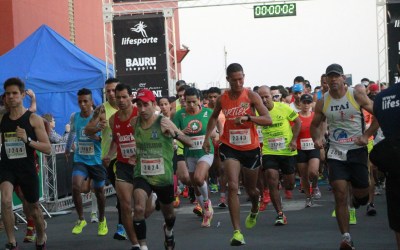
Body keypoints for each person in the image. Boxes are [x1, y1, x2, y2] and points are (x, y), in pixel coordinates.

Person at [202, 63, 272, 246]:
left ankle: (255, 206)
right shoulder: (222, 99)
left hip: (250, 148)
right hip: (229, 146)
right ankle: (237, 232)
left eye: (241, 78)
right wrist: (206, 138)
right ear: (228, 80)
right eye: (234, 80)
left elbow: (268, 119)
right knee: (233, 185)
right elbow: (213, 117)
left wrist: (249, 118)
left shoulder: (251, 95)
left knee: (252, 190)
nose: (239, 83)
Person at [310, 64, 377, 250]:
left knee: (362, 196)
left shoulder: (355, 94)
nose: (333, 80)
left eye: (336, 76)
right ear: (326, 80)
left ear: (343, 78)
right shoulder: (323, 101)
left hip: (357, 150)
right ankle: (346, 237)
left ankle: (358, 200)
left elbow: (378, 114)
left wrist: (366, 135)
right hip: (336, 151)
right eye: (329, 77)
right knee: (339, 193)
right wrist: (317, 139)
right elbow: (315, 124)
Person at [130, 88, 193, 250]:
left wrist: (174, 134)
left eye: (146, 105)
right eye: (139, 105)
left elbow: (189, 142)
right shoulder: (134, 122)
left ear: (153, 104)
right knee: (138, 208)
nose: (142, 109)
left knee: (170, 216)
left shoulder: (164, 121)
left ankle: (168, 230)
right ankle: (143, 246)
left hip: (163, 176)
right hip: (142, 174)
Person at [0, 78, 51, 250]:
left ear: (22, 95)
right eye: (8, 94)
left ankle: (41, 236)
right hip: (8, 167)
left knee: (33, 208)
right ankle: (12, 242)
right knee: (6, 201)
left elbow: (48, 148)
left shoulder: (34, 119)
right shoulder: (2, 118)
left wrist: (27, 140)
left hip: (27, 168)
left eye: (15, 93)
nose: (11, 97)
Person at [84, 77, 128, 240]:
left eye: (113, 90)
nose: (110, 94)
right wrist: (97, 129)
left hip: (129, 157)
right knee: (121, 194)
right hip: (110, 159)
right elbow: (87, 130)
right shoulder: (102, 109)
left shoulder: (130, 108)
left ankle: (123, 225)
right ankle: (123, 225)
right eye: (107, 91)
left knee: (126, 195)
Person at [64, 88, 108, 236]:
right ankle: (81, 219)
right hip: (80, 158)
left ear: (91, 102)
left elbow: (106, 137)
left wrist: (99, 138)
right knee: (76, 186)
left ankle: (102, 220)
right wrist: (67, 148)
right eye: (80, 102)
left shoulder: (99, 117)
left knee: (100, 191)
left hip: (96, 160)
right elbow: (72, 133)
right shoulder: (75, 117)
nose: (82, 104)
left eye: (85, 101)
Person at [102, 83, 140, 249]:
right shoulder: (113, 119)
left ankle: (153, 199)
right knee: (125, 205)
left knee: (141, 208)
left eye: (125, 97)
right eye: (118, 98)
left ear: (131, 97)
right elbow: (116, 140)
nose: (121, 100)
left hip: (142, 165)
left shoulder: (140, 114)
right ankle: (136, 244)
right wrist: (109, 155)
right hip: (123, 164)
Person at [257, 85, 301, 223]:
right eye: (261, 97)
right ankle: (280, 213)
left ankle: (283, 182)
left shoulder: (283, 107)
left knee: (290, 185)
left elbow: (298, 121)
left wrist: (294, 140)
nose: (264, 100)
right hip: (269, 151)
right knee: (271, 179)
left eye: (266, 97)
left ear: (272, 96)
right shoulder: (257, 111)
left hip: (287, 150)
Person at [173, 87, 216, 227]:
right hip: (189, 154)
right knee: (195, 186)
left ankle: (207, 202)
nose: (190, 105)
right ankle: (205, 213)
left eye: (193, 102)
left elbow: (215, 131)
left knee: (198, 178)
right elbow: (174, 135)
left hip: (206, 151)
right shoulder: (179, 115)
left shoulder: (208, 113)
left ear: (199, 100)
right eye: (187, 102)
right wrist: (181, 133)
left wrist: (213, 136)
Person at [371, 82, 400, 249]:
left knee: (398, 220)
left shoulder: (382, 98)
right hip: (394, 161)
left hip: (394, 164)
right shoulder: (382, 97)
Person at [296, 94, 321, 207]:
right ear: (299, 103)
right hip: (300, 148)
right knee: (304, 176)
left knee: (313, 172)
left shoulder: (315, 116)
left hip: (313, 147)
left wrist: (321, 139)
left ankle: (315, 186)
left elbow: (321, 128)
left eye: (308, 102)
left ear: (311, 104)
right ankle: (308, 197)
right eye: (304, 102)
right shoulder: (295, 117)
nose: (306, 105)